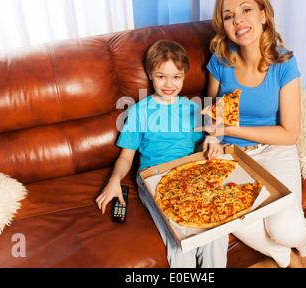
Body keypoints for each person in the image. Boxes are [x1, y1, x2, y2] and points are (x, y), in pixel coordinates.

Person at [197, 0, 306, 268]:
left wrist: (229, 130)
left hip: (275, 149)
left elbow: (289, 134)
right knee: (223, 215)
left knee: (284, 230)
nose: (238, 20)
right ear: (224, 25)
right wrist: (212, 133)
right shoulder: (221, 59)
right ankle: (287, 257)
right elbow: (211, 109)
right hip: (231, 155)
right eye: (228, 16)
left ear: (264, 15)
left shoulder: (284, 63)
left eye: (246, 10)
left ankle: (305, 244)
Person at [96, 40, 229, 268]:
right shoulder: (139, 111)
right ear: (150, 74)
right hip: (154, 175)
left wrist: (212, 138)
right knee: (180, 236)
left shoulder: (194, 109)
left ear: (185, 75)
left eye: (176, 77)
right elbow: (126, 157)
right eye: (161, 76)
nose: (169, 84)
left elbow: (207, 141)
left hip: (189, 171)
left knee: (215, 230)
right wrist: (114, 180)